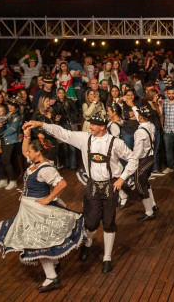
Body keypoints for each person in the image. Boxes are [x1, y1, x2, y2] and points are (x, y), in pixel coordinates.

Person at [24, 112, 138, 274]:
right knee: (90, 222)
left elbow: (133, 159)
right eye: (90, 124)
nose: (89, 126)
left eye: (93, 124)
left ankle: (107, 257)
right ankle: (88, 242)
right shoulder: (85, 138)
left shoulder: (116, 142)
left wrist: (122, 179)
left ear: (102, 127)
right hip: (92, 186)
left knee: (109, 222)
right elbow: (62, 133)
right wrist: (41, 124)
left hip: (110, 186)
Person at [0, 129, 84, 292]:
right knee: (40, 240)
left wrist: (48, 199)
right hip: (29, 209)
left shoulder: (46, 169)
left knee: (37, 242)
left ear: (38, 152)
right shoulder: (35, 164)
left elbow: (62, 184)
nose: (27, 153)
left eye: (30, 151)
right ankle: (54, 264)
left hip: (38, 210)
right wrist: (26, 134)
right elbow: (23, 150)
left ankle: (51, 277)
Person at [123, 105, 158, 221]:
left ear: (141, 118)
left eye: (139, 115)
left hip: (143, 159)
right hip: (151, 158)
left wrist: (132, 161)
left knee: (139, 184)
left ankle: (149, 212)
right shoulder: (151, 126)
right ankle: (153, 204)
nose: (137, 116)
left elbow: (138, 151)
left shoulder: (139, 132)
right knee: (145, 182)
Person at [0, 97, 22, 191]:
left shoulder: (16, 116)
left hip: (9, 140)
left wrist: (0, 134)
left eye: (12, 105)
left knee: (6, 160)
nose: (10, 106)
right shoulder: (7, 114)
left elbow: (13, 129)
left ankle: (12, 180)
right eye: (9, 104)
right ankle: (3, 178)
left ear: (16, 107)